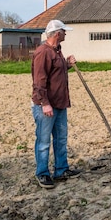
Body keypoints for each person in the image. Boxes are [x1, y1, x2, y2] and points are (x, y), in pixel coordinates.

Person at [31, 19, 81, 189]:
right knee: (44, 141)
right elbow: (39, 81)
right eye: (64, 32)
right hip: (46, 105)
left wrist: (67, 64)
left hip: (59, 103)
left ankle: (61, 169)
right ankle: (42, 173)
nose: (66, 34)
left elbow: (55, 73)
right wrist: (44, 103)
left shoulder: (56, 51)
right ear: (58, 34)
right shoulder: (43, 52)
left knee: (60, 139)